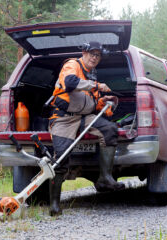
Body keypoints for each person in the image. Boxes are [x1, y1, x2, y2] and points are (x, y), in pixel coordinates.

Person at [48, 41, 125, 216]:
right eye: (92, 53)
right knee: (60, 160)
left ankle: (105, 177)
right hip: (63, 119)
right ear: (84, 52)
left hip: (85, 117)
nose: (94, 57)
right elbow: (70, 82)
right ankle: (54, 204)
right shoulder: (72, 65)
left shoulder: (92, 75)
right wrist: (97, 86)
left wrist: (104, 102)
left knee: (109, 129)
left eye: (98, 55)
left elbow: (92, 103)